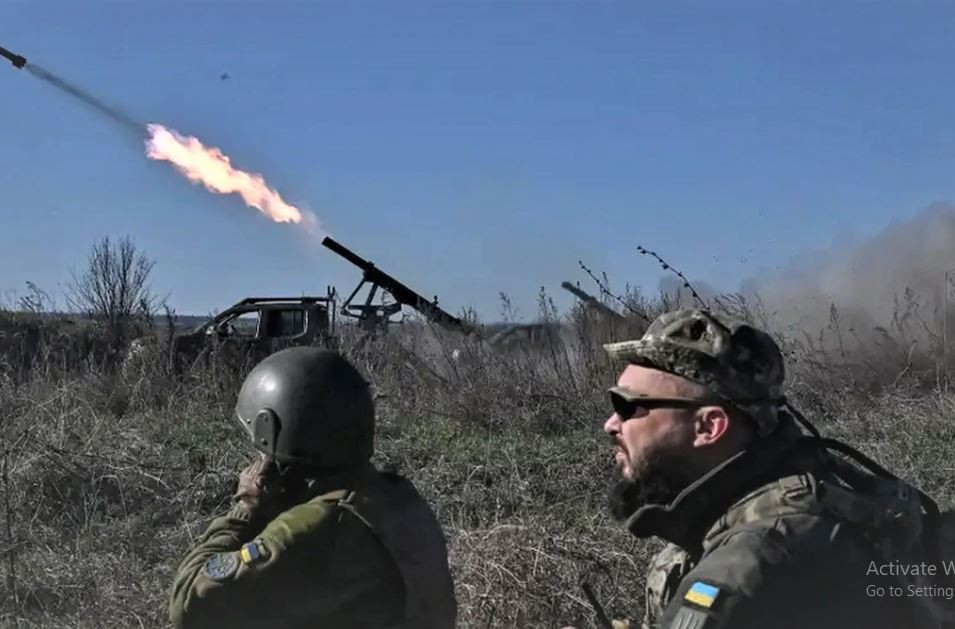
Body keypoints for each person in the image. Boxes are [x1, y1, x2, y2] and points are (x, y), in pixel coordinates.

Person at [593, 308, 940, 629]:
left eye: (625, 405)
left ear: (709, 427)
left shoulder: (753, 561)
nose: (611, 424)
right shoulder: (757, 503)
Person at [168, 347, 458, 629]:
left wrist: (245, 510)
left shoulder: (316, 528)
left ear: (272, 437)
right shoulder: (396, 497)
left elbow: (189, 604)